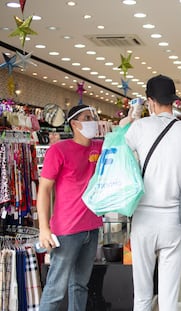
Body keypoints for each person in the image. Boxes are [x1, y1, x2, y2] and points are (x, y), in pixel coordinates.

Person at [124, 74, 181, 311]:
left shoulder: (138, 128)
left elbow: (118, 150)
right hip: (175, 219)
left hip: (143, 218)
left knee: (142, 295)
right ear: (173, 101)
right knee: (169, 297)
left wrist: (131, 117)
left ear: (150, 101)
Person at [37, 104, 103, 310]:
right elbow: (44, 189)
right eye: (87, 117)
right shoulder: (59, 150)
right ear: (74, 123)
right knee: (56, 288)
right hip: (67, 230)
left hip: (92, 227)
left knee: (80, 285)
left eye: (93, 116)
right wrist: (44, 228)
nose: (93, 120)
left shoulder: (100, 147)